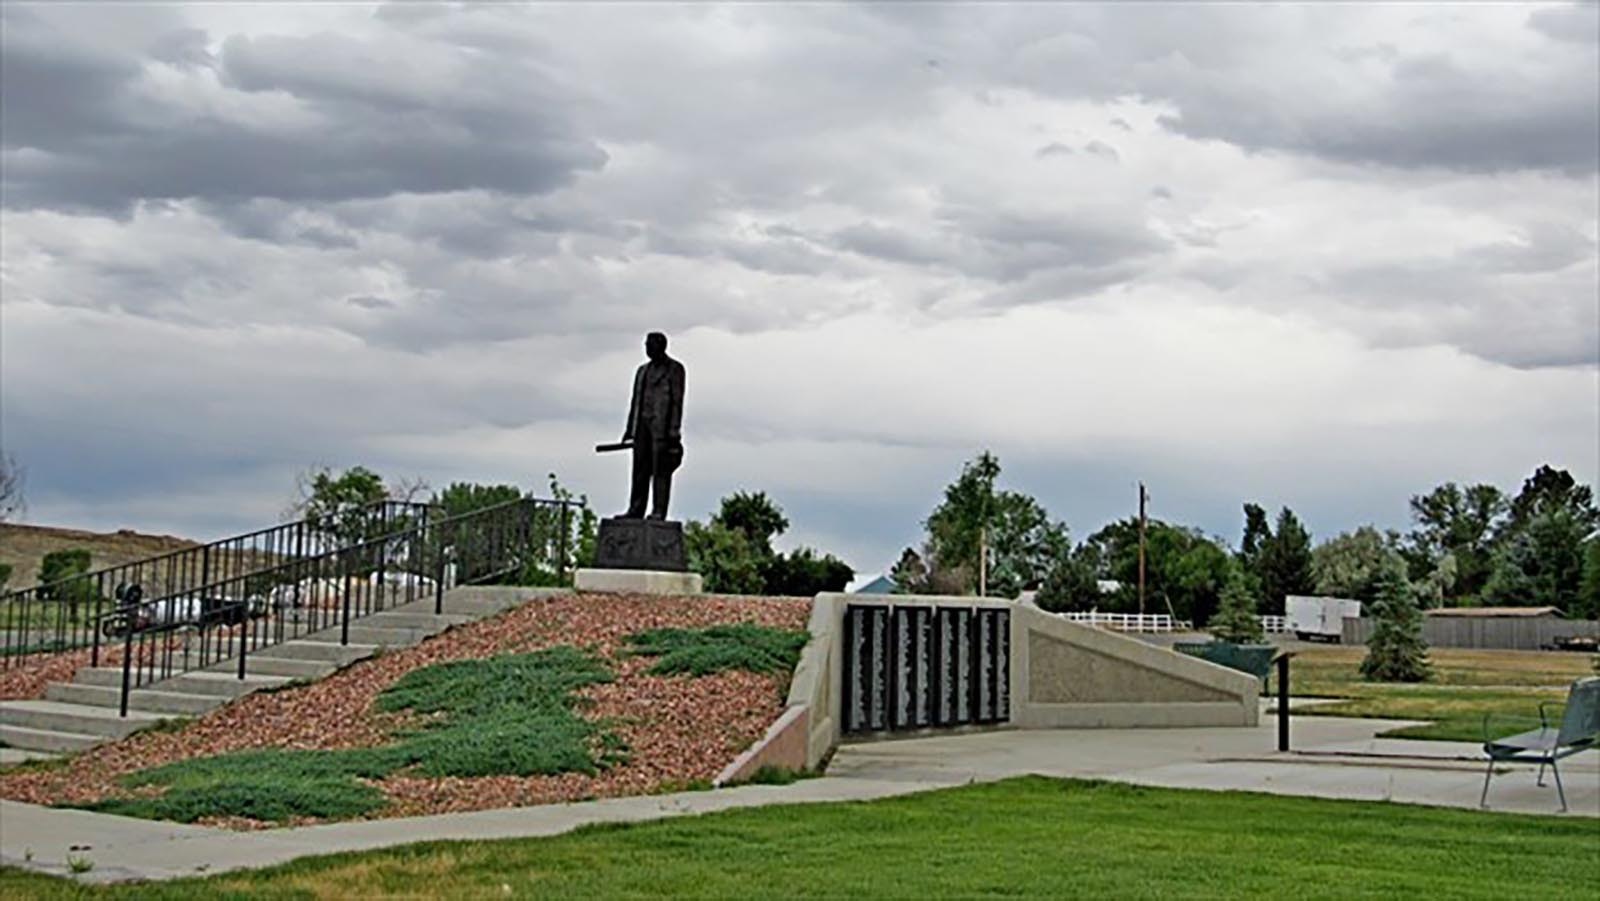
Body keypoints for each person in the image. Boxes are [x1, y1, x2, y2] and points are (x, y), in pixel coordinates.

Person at [621, 332, 685, 519]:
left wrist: (674, 429)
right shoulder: (642, 372)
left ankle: (659, 510)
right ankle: (636, 509)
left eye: (650, 345)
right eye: (646, 345)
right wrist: (630, 429)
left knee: (661, 470)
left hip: (662, 428)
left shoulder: (675, 369)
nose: (647, 348)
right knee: (640, 469)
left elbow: (677, 401)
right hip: (642, 425)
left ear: (661, 346)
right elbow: (636, 401)